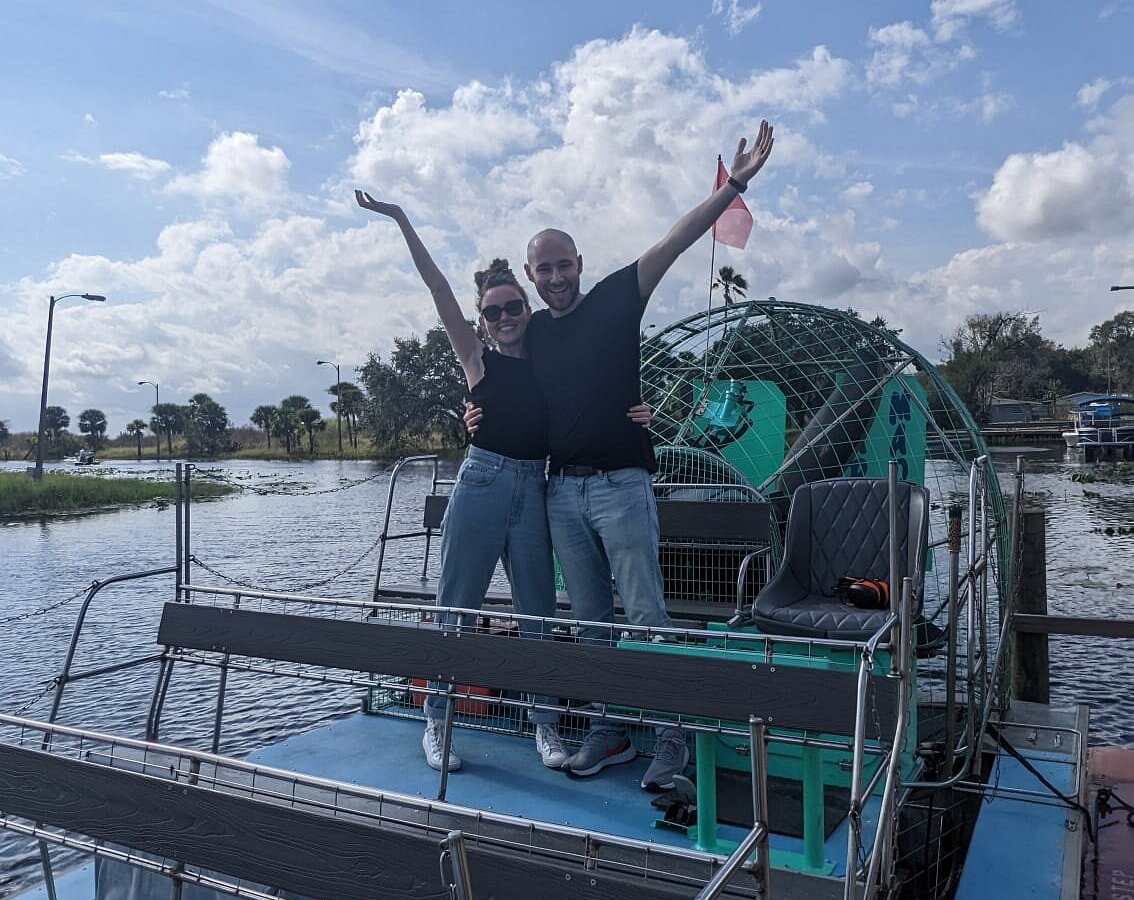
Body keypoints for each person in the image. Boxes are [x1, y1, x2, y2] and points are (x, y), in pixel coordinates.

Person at [467, 121, 775, 788]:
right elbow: (497, 392)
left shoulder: (615, 297)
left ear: (578, 264)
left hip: (620, 485)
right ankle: (610, 733)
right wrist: (472, 414)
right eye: (542, 268)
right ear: (529, 275)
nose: (553, 276)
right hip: (560, 494)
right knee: (592, 624)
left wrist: (736, 185)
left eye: (562, 264)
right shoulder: (530, 335)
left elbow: (676, 238)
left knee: (646, 616)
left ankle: (673, 740)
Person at [355, 191, 653, 774]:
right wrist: (401, 219)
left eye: (513, 306)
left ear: (527, 305)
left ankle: (544, 726)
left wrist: (636, 412)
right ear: (482, 320)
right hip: (484, 484)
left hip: (536, 490)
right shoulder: (477, 361)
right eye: (493, 312)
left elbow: (595, 382)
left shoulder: (547, 348)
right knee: (456, 609)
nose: (505, 318)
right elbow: (439, 291)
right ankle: (436, 725)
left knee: (536, 614)